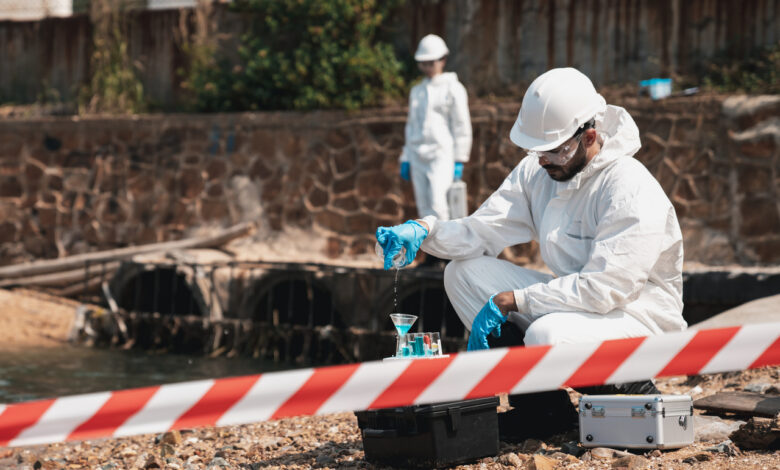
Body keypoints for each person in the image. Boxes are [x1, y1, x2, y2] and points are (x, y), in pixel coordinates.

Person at [376, 67, 686, 439]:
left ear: (590, 136)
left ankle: (637, 399)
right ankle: (544, 413)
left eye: (554, 150)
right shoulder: (539, 174)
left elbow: (608, 288)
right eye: (536, 150)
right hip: (580, 307)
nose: (542, 160)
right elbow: (480, 230)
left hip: (638, 318)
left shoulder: (628, 187)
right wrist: (426, 231)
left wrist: (515, 300)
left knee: (546, 333)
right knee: (461, 274)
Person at [399, 34, 472, 221]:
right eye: (424, 63)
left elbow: (461, 125)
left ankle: (445, 250)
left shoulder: (453, 88)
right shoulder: (417, 91)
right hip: (417, 155)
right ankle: (431, 251)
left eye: (432, 62)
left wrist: (459, 159)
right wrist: (406, 156)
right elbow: (411, 126)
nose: (428, 67)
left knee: (439, 206)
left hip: (441, 155)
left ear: (443, 60)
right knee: (424, 208)